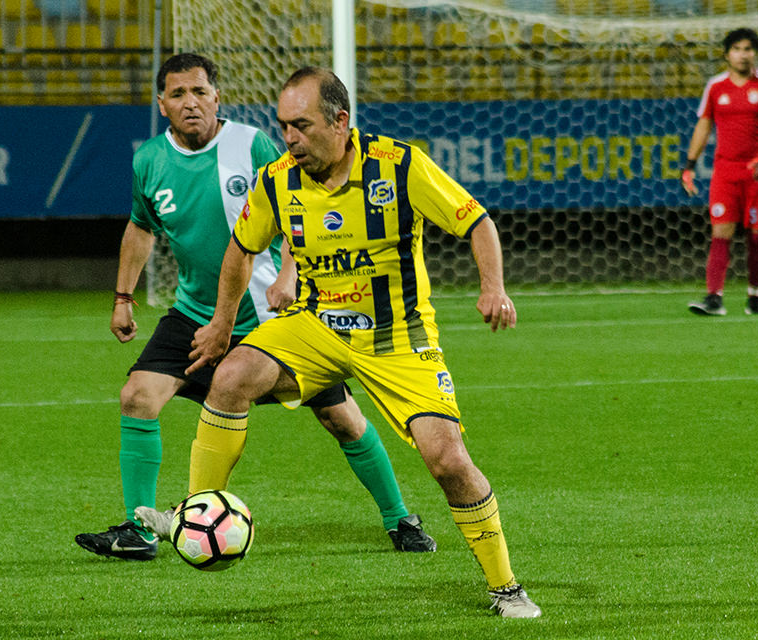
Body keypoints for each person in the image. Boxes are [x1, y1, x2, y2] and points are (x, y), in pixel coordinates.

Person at [134, 67, 541, 618]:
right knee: (230, 375)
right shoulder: (279, 179)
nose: (290, 139)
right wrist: (223, 323)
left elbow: (477, 222)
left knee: (446, 460)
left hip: (397, 337)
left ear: (340, 121)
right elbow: (241, 248)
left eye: (301, 126)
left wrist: (493, 287)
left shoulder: (398, 165)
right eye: (284, 127)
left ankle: (505, 586)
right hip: (317, 326)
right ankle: (196, 513)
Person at [75, 53, 435, 562]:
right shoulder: (149, 161)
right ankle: (140, 530)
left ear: (217, 97)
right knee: (137, 396)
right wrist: (122, 297)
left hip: (272, 317)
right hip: (196, 312)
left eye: (200, 92)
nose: (190, 103)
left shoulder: (251, 144)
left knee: (343, 420)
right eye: (178, 94)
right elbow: (140, 226)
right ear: (161, 104)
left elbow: (298, 202)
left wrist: (289, 273)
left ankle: (399, 518)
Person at [682, 27, 758, 316]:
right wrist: (690, 164)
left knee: (756, 236)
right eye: (738, 49)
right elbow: (703, 125)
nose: (744, 54)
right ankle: (714, 298)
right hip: (725, 171)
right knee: (720, 232)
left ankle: (754, 297)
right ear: (727, 54)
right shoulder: (715, 87)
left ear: (755, 53)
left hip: (757, 171)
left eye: (749, 49)